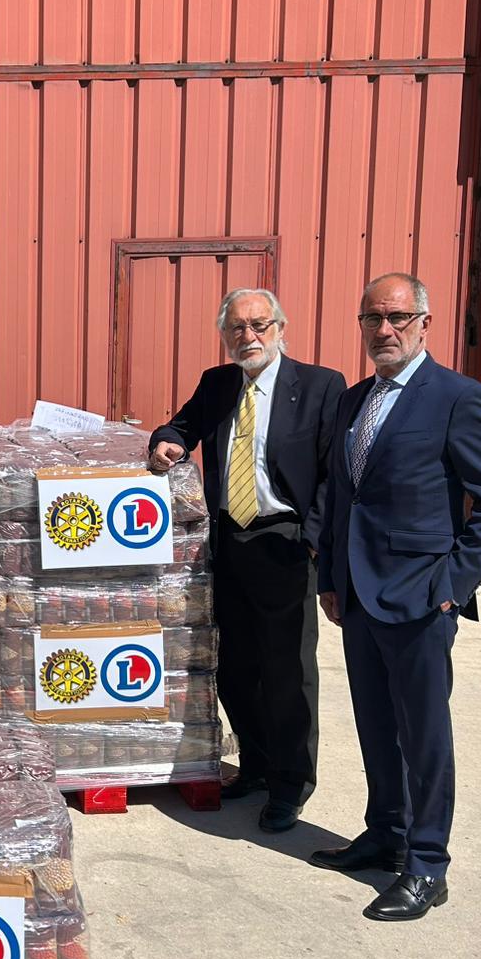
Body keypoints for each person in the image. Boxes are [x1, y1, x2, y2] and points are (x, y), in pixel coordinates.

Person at [312, 272, 481, 921]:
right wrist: (329, 579)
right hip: (358, 594)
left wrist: (452, 586)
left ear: (424, 323)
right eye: (372, 318)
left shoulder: (459, 398)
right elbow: (340, 496)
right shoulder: (355, 400)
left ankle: (427, 863)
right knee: (375, 723)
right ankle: (387, 833)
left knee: (423, 735)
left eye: (398, 317)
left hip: (421, 598)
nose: (385, 330)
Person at [148, 289, 345, 834]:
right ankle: (256, 766)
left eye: (259, 325)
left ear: (280, 328)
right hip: (227, 543)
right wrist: (167, 442)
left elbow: (334, 472)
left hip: (285, 541)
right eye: (236, 327)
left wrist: (312, 540)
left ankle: (290, 784)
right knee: (235, 667)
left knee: (287, 672)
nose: (248, 336)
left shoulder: (321, 386)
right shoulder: (218, 383)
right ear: (224, 335)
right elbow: (181, 427)